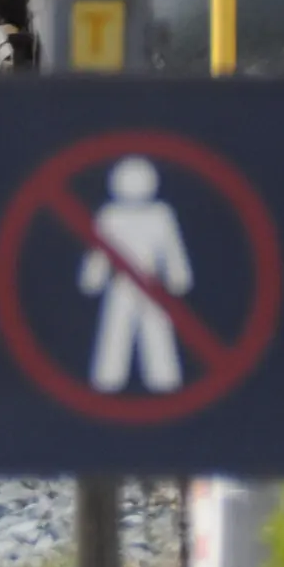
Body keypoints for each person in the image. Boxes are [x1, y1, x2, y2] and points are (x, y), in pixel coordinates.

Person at [80, 154, 193, 393]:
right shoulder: (110, 215)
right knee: (116, 330)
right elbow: (100, 250)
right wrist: (93, 276)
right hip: (122, 284)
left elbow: (171, 248)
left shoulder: (161, 214)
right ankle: (108, 380)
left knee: (156, 329)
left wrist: (178, 274)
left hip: (152, 284)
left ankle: (164, 380)